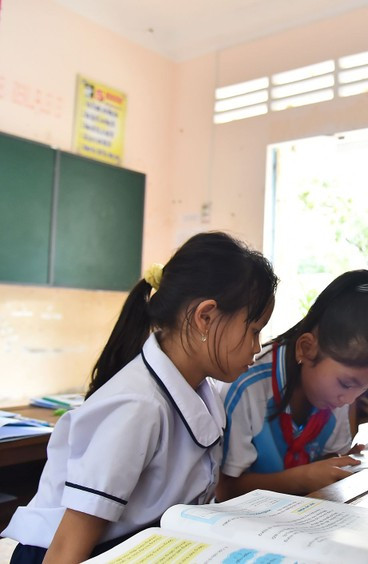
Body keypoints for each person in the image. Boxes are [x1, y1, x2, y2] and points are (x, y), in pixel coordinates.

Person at [2, 232, 278, 563]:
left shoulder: (202, 395)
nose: (257, 347)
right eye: (253, 330)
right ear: (205, 317)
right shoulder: (138, 406)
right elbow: (69, 543)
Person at [216, 269, 368, 500]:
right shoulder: (247, 386)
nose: (349, 400)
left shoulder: (335, 393)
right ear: (306, 348)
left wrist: (341, 464)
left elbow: (328, 457)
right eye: (346, 384)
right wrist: (302, 478)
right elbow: (225, 490)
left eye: (364, 389)